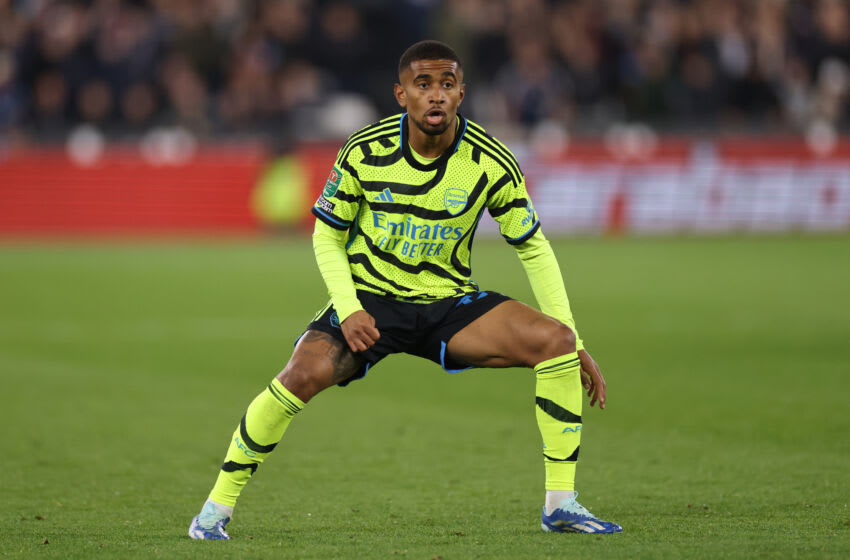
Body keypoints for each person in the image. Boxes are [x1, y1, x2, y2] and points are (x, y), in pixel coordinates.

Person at [188, 40, 621, 540]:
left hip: (448, 305)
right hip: (371, 302)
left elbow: (534, 248)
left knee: (556, 343)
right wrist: (349, 307)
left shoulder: (490, 160)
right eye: (423, 84)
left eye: (447, 84)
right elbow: (327, 234)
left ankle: (560, 505)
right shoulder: (365, 150)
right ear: (402, 95)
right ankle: (214, 511)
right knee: (299, 376)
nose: (436, 95)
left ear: (461, 93)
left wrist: (575, 340)